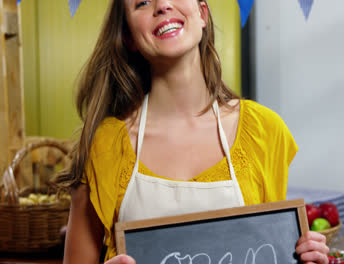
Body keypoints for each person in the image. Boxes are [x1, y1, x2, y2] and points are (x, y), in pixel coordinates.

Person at [56, 0, 330, 263]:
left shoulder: (264, 131)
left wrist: (303, 257)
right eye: (142, 3)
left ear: (202, 14)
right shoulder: (105, 145)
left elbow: (273, 250)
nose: (162, 5)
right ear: (129, 38)